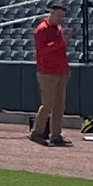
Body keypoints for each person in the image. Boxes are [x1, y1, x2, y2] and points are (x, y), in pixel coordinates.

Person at [30, 11, 71, 145]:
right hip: (47, 72)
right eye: (58, 16)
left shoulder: (58, 29)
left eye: (62, 16)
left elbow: (61, 52)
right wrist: (60, 42)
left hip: (60, 71)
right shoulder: (42, 29)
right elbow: (42, 49)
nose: (60, 19)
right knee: (48, 104)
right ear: (51, 14)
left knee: (59, 106)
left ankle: (56, 135)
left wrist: (66, 69)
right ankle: (36, 132)